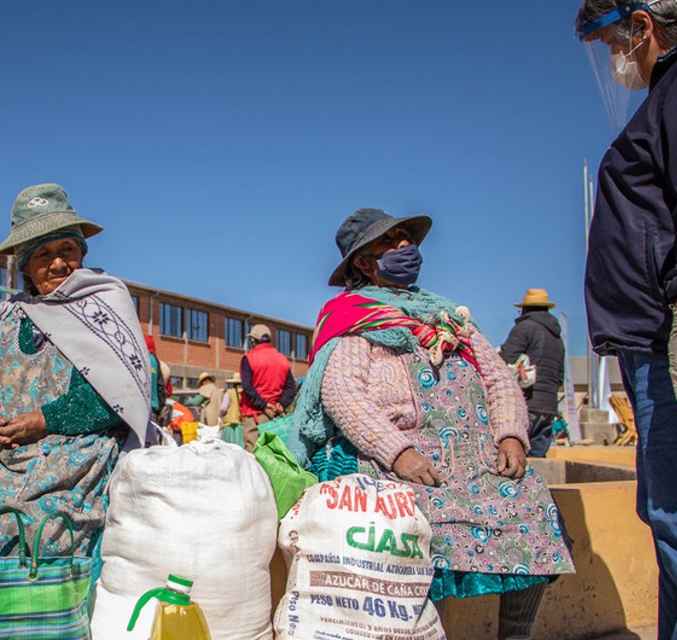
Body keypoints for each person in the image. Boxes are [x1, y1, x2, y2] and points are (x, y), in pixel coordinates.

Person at [290, 208, 574, 640]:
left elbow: (498, 376)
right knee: (420, 527)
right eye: (392, 242)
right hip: (401, 460)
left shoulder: (446, 315)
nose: (407, 247)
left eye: (408, 238)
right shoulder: (352, 318)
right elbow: (343, 394)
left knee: (533, 504)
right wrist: (398, 452)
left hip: (475, 459)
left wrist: (512, 435)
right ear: (365, 262)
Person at [0, 183, 153, 639]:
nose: (58, 263)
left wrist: (43, 421)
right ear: (24, 264)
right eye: (43, 254)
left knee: (40, 526)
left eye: (67, 249)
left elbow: (118, 396)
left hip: (73, 453)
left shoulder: (104, 306)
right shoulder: (4, 318)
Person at [575, 2, 677, 637]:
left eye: (611, 42)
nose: (612, 59)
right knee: (672, 526)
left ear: (642, 25)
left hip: (675, 347)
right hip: (652, 344)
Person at [499, 289, 566, 458]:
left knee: (516, 456)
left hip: (528, 401)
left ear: (525, 309)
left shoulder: (524, 328)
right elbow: (559, 375)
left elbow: (506, 358)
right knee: (538, 457)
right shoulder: (556, 337)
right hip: (549, 405)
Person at [239, 324, 297, 452]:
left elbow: (247, 387)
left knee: (253, 456)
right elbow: (291, 388)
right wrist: (281, 404)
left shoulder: (249, 358)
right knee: (276, 455)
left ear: (253, 340)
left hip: (255, 415)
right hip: (276, 417)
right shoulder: (282, 359)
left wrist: (264, 406)